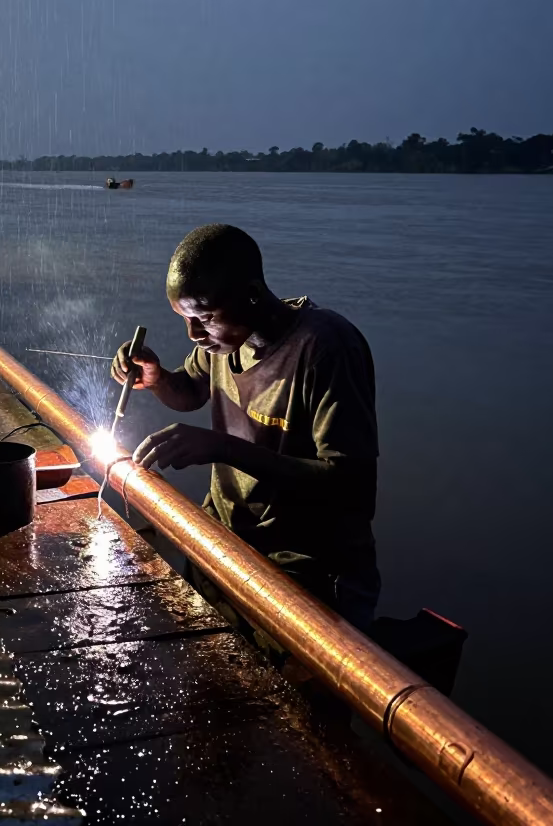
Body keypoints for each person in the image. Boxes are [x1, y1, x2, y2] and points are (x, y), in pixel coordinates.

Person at [111, 223, 381, 637]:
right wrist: (158, 378)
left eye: (203, 317)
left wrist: (224, 448)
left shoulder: (326, 347)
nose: (195, 335)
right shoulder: (224, 341)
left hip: (305, 570)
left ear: (252, 294)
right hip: (226, 539)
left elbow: (349, 485)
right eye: (185, 319)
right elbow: (191, 390)